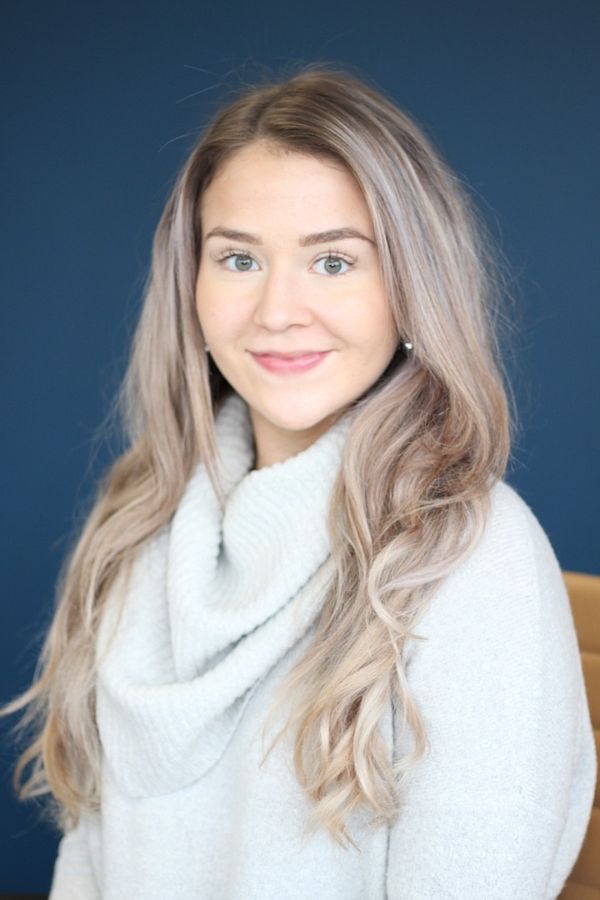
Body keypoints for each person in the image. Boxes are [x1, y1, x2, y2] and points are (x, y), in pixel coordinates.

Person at [2, 62, 596, 900]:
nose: (278, 310)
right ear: (191, 283)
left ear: (411, 286)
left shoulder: (472, 557)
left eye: (334, 262)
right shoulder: (139, 524)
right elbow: (89, 868)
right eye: (239, 258)